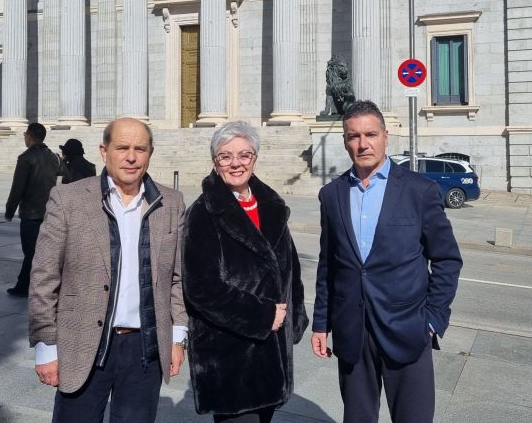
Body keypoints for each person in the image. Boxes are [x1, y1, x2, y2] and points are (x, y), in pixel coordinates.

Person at [311, 100, 462, 423]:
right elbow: (329, 265)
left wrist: (433, 320)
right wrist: (321, 323)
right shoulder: (332, 195)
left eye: (370, 134)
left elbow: (447, 259)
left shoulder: (419, 191)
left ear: (385, 136)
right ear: (344, 141)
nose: (362, 144)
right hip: (352, 333)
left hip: (408, 330)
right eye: (353, 136)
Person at [29, 117, 188, 423]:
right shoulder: (68, 199)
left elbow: (178, 278)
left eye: (140, 149)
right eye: (122, 147)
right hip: (83, 343)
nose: (131, 156)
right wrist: (47, 345)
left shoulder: (171, 202)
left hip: (146, 347)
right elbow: (44, 278)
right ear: (104, 151)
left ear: (150, 153)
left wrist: (177, 336)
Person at [183, 121, 308, 423]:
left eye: (244, 155)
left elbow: (291, 268)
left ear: (255, 158)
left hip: (272, 351)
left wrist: (295, 318)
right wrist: (263, 316)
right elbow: (201, 288)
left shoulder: (271, 205)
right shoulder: (203, 212)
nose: (236, 163)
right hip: (230, 356)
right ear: (215, 162)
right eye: (226, 156)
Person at [4, 122, 60, 297]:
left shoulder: (25, 158)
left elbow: (17, 188)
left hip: (31, 212)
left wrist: (9, 210)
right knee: (39, 250)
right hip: (48, 211)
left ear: (29, 136)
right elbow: (68, 174)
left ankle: (24, 286)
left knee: (30, 251)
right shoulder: (53, 157)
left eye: (25, 134)